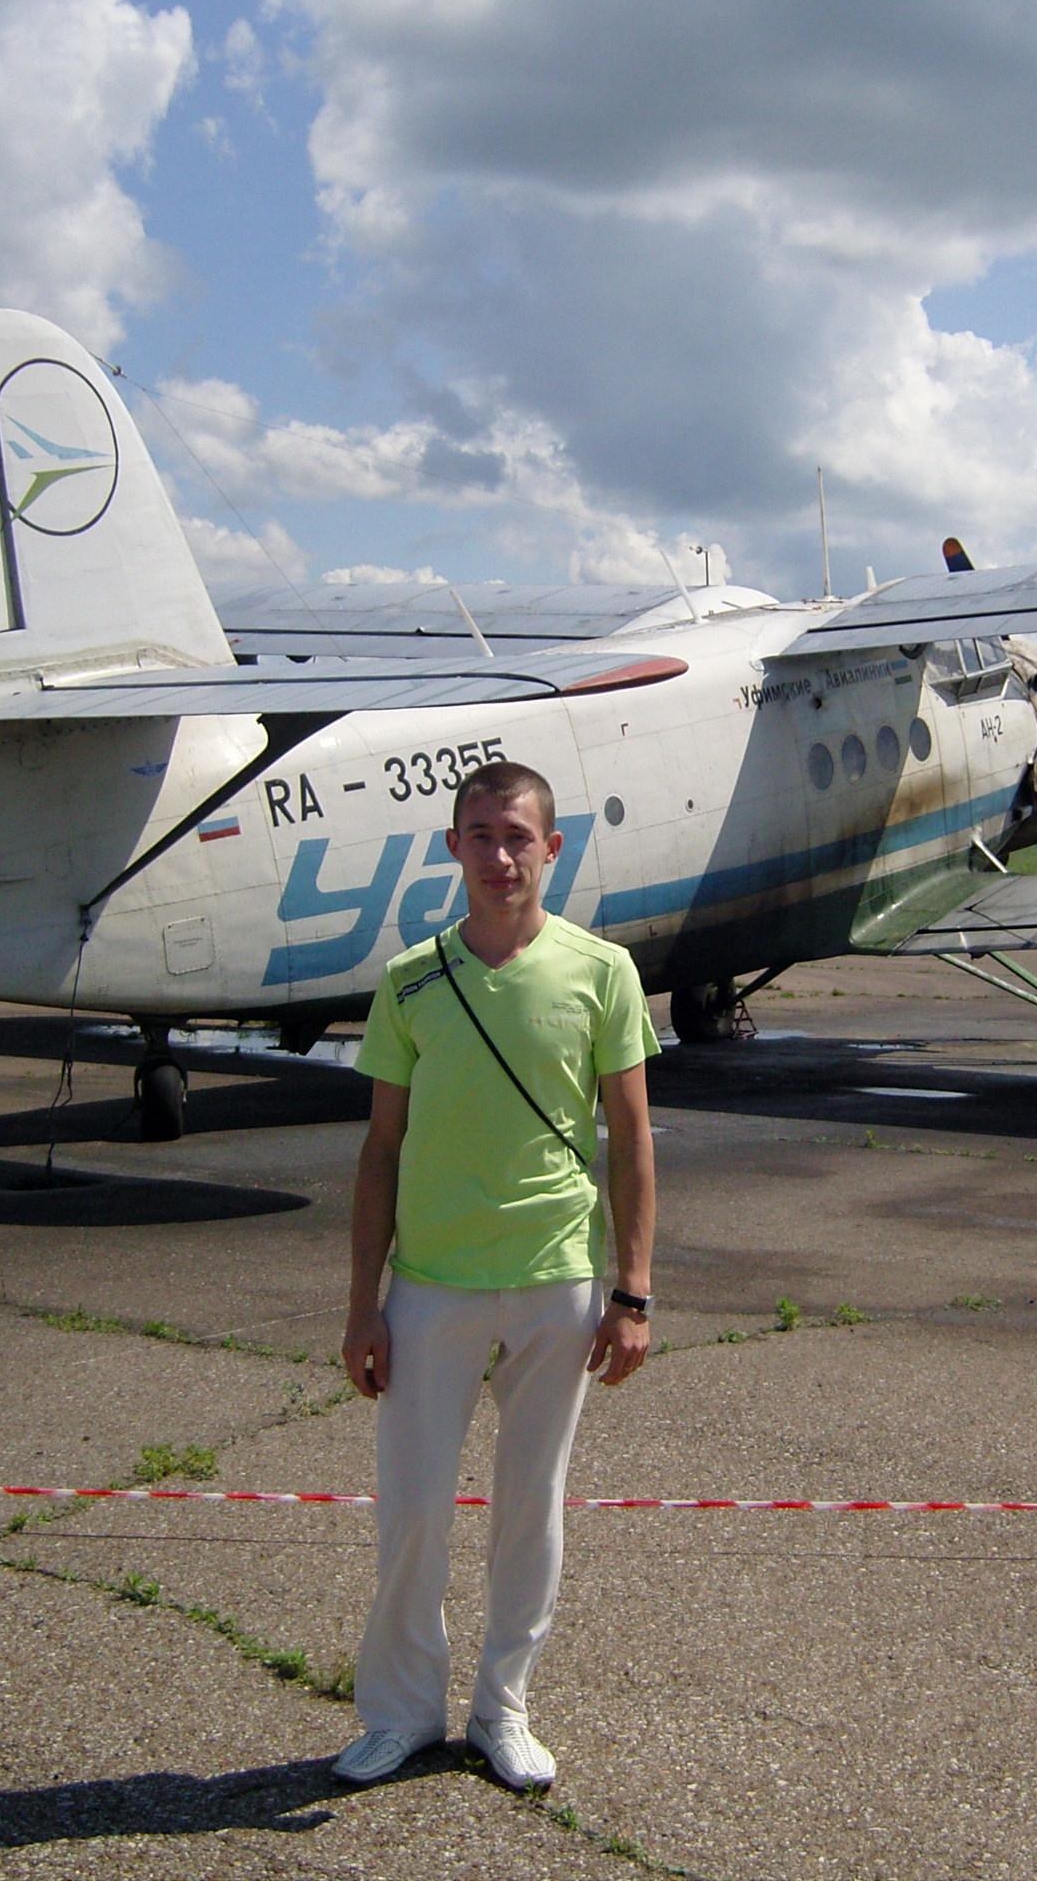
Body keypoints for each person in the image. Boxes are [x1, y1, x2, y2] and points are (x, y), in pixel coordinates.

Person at [332, 759, 660, 1793]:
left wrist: (633, 1291)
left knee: (532, 1507)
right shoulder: (410, 980)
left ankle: (503, 1709)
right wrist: (362, 1305)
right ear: (453, 847)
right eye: (481, 836)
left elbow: (632, 1138)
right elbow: (381, 1148)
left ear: (552, 848)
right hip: (431, 1282)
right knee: (413, 1511)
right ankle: (400, 1715)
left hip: (556, 1279)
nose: (501, 856)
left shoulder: (603, 971)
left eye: (519, 837)